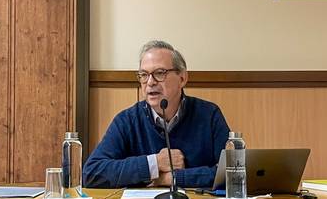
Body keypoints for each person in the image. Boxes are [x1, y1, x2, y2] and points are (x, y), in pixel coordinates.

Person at [84, 40, 230, 190]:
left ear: (182, 78)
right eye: (144, 75)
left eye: (160, 73)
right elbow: (92, 173)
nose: (150, 82)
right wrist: (154, 163)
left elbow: (233, 172)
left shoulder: (209, 115)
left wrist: (173, 178)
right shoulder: (127, 120)